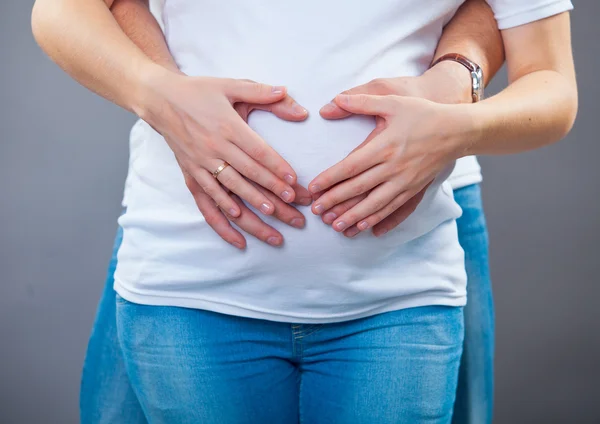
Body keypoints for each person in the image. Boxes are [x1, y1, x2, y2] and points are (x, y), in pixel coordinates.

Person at [32, 0, 577, 422]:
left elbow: (542, 64)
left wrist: (457, 110)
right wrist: (164, 98)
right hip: (193, 270)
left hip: (400, 273)